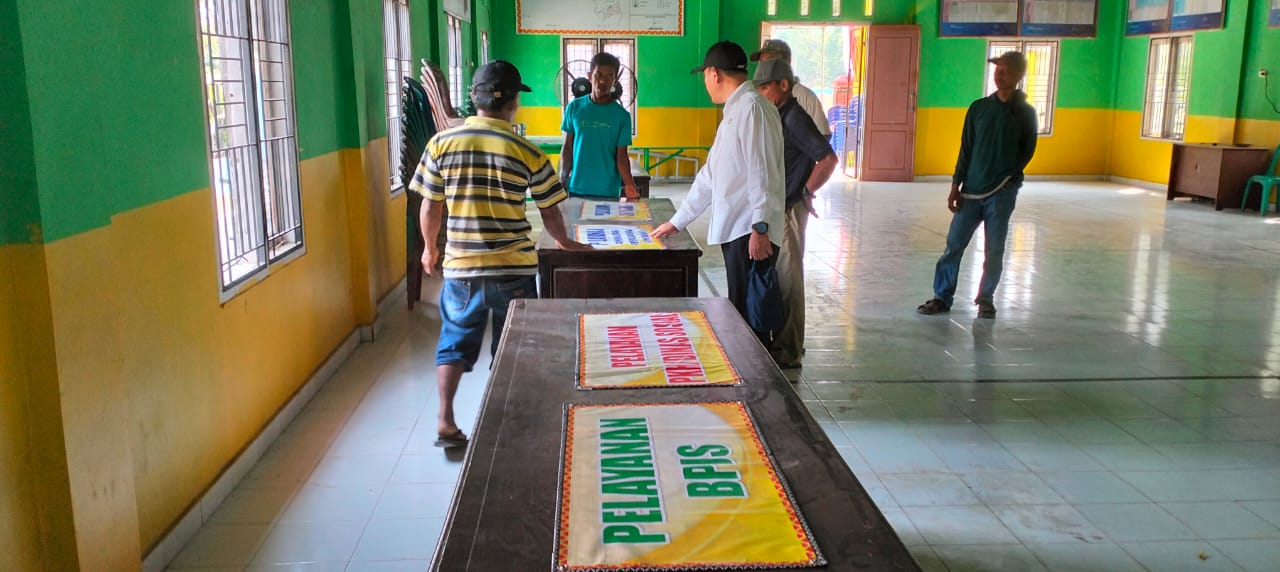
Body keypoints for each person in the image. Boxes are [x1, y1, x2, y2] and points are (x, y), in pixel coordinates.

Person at [410, 60, 591, 448]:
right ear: (512, 103)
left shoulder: (441, 144)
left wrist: (429, 248)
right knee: (514, 347)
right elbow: (549, 209)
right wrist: (563, 242)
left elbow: (430, 206)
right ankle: (505, 422)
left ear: (474, 100)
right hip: (514, 268)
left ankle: (444, 419)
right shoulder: (526, 150)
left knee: (454, 339)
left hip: (461, 268)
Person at [651, 41, 785, 341]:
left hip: (749, 232)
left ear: (713, 73)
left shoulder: (751, 109)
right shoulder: (735, 112)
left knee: (754, 316)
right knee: (742, 311)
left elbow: (760, 171)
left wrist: (760, 227)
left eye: (704, 76)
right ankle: (749, 377)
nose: (705, 82)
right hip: (738, 230)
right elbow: (710, 176)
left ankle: (758, 382)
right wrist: (678, 221)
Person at [917, 51, 1038, 319]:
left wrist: (1008, 179)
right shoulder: (979, 109)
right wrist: (955, 185)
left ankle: (985, 299)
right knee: (954, 245)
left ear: (1018, 75)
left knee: (993, 249)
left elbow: (1027, 151)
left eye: (1005, 70)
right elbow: (966, 149)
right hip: (971, 191)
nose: (999, 74)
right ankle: (941, 297)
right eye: (997, 69)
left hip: (1002, 194)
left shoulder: (1025, 114)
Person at [753, 59, 838, 369]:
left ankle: (789, 350)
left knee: (790, 280)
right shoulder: (780, 114)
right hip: (780, 207)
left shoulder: (794, 119)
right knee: (780, 278)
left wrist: (806, 191)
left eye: (766, 87)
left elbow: (827, 158)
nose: (761, 93)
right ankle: (782, 341)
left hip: (790, 208)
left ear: (783, 85)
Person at [561, 52, 640, 201]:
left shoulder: (622, 116)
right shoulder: (574, 108)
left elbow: (621, 156)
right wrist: (563, 178)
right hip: (577, 189)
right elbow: (568, 147)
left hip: (608, 191)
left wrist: (629, 184)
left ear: (615, 80)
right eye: (599, 75)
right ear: (590, 75)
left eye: (610, 76)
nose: (603, 81)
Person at [749, 39, 830, 138]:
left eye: (770, 60)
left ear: (788, 60)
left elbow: (824, 135)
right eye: (762, 62)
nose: (765, 67)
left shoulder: (805, 97)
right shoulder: (757, 95)